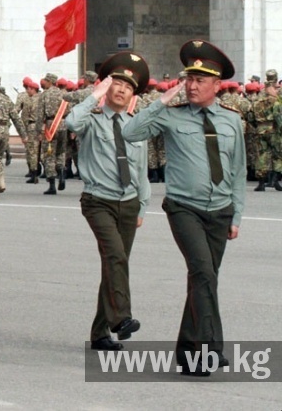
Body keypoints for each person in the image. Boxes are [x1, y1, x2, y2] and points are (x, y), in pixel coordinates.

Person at [120, 40, 245, 376]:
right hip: (183, 208)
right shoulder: (172, 117)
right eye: (188, 79)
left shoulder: (232, 121)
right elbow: (131, 132)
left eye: (199, 81)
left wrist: (237, 213)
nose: (191, 85)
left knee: (203, 279)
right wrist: (160, 101)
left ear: (217, 86)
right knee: (204, 273)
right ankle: (209, 349)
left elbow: (238, 169)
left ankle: (186, 351)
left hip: (219, 210)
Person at [64, 52, 151, 352]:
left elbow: (141, 169)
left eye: (129, 86)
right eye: (117, 83)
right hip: (97, 201)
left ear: (133, 94)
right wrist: (93, 96)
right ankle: (121, 320)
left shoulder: (135, 125)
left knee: (114, 264)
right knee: (115, 256)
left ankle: (100, 333)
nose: (123, 89)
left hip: (128, 203)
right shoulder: (93, 120)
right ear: (107, 86)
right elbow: (71, 123)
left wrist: (143, 205)